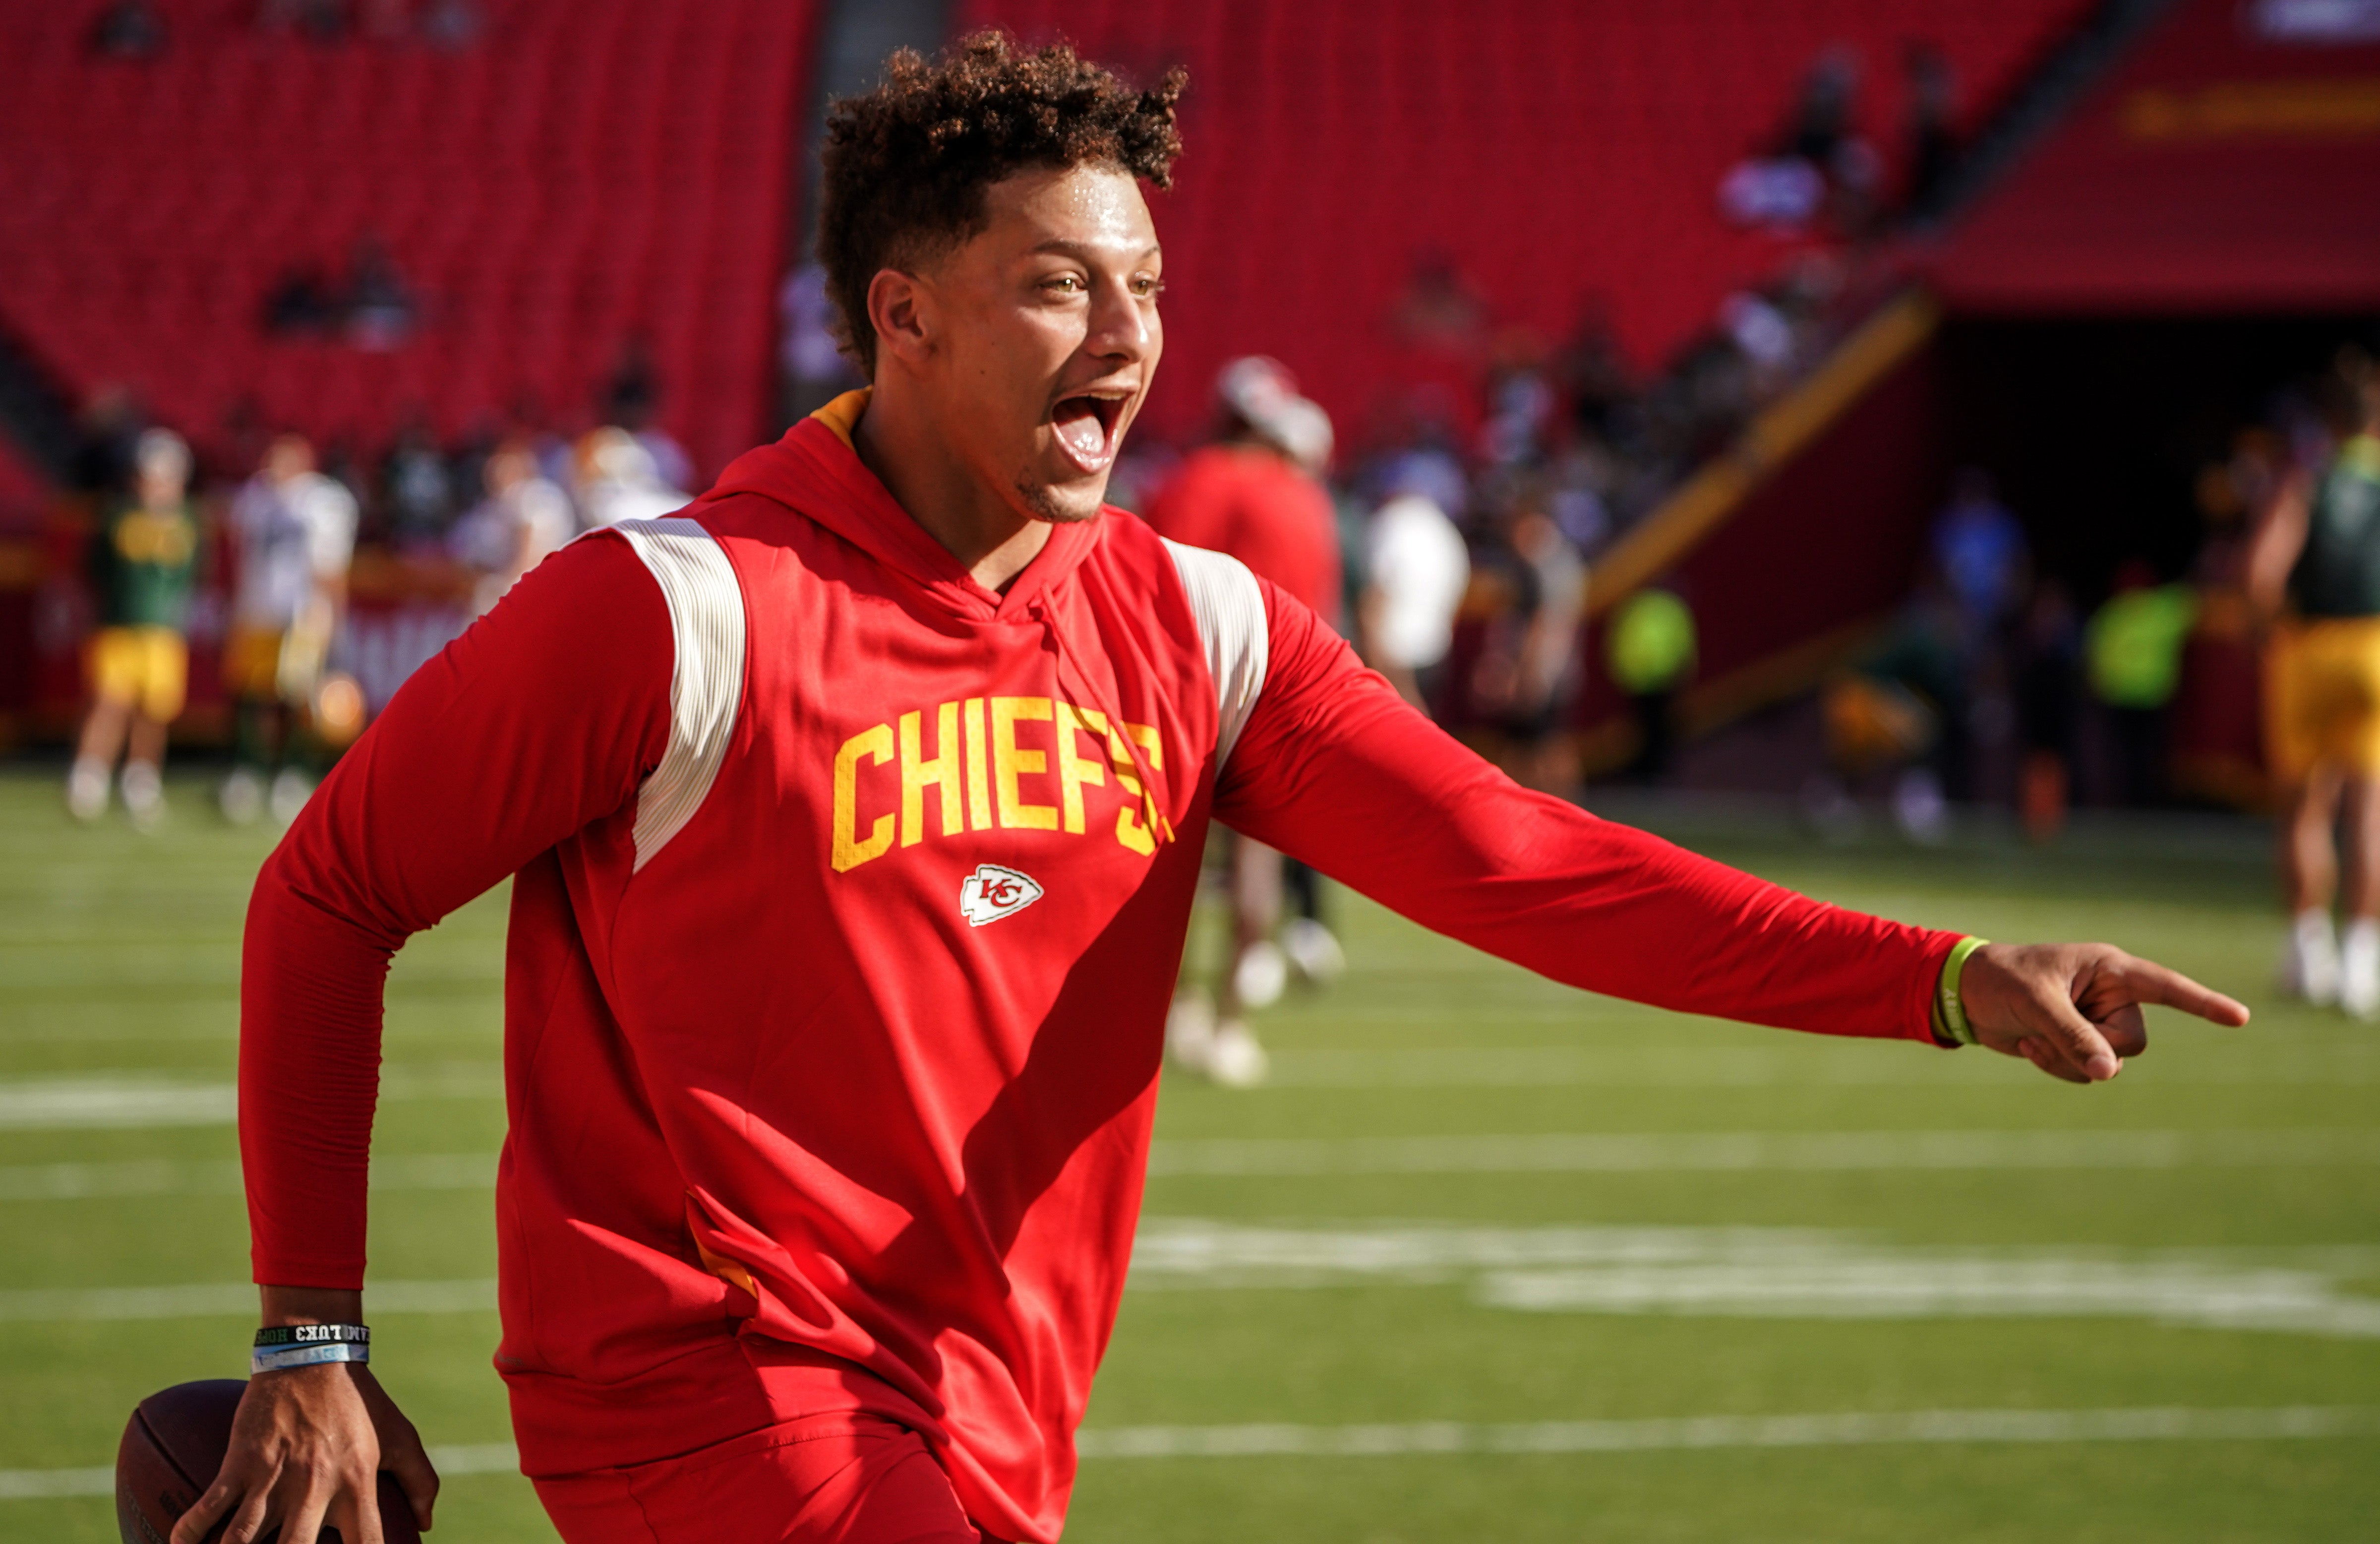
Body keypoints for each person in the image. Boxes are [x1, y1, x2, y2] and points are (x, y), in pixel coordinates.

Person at [197, 35, 2249, 1544]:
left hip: (994, 1413)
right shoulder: (671, 612)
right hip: (707, 1395)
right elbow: (328, 894)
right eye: (1064, 284)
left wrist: (1947, 972)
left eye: (1150, 287)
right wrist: (306, 1338)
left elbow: (1529, 864)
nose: (1128, 335)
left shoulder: (1203, 632)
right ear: (902, 315)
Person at [1141, 356, 1344, 1084]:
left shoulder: (1193, 478)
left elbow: (1156, 584)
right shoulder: (1303, 495)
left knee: (1172, 870)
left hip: (1188, 694)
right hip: (1277, 699)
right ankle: (1230, 1022)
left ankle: (1176, 1008)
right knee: (1257, 866)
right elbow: (1321, 608)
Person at [2248, 349, 2380, 1014]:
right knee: (2370, 809)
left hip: (2310, 647)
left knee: (2306, 808)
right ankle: (2363, 958)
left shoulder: (2308, 480)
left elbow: (2261, 573)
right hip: (2375, 648)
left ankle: (2310, 951)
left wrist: (2275, 627)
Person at [220, 434, 358, 826]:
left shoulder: (323, 502)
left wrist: (334, 617)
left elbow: (330, 568)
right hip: (257, 611)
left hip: (303, 613)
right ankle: (249, 770)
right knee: (252, 694)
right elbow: (241, 560)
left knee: (297, 698)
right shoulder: (254, 499)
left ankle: (293, 773)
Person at [68, 428, 200, 829]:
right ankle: (89, 776)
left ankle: (140, 780)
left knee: (154, 711)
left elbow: (195, 575)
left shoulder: (187, 522)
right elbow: (94, 570)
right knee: (110, 702)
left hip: (163, 630)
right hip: (119, 626)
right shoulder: (118, 516)